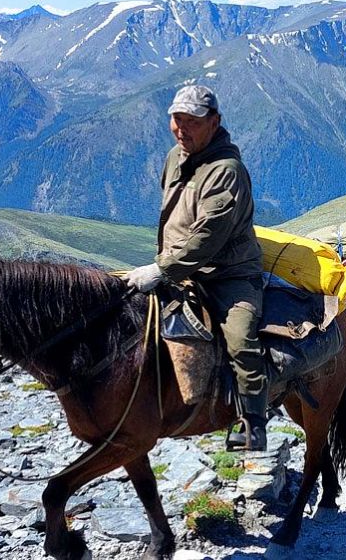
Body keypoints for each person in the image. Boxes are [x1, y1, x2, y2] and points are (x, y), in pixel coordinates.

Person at [123, 85, 268, 451]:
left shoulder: (226, 171)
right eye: (176, 119)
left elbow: (208, 237)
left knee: (240, 338)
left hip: (228, 274)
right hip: (178, 266)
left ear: (214, 122)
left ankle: (253, 423)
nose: (181, 128)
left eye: (192, 121)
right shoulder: (176, 156)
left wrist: (161, 270)